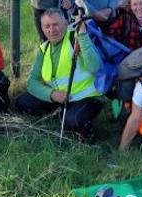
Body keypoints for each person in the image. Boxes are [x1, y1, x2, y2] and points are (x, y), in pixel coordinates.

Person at [14, 8, 104, 142]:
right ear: (42, 29)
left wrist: (83, 36)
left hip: (87, 97)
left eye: (56, 24)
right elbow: (31, 82)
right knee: (22, 102)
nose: (52, 30)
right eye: (47, 26)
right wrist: (52, 94)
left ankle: (85, 129)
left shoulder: (77, 38)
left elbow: (94, 67)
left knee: (72, 121)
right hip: (60, 99)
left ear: (66, 23)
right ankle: (62, 114)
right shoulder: (44, 49)